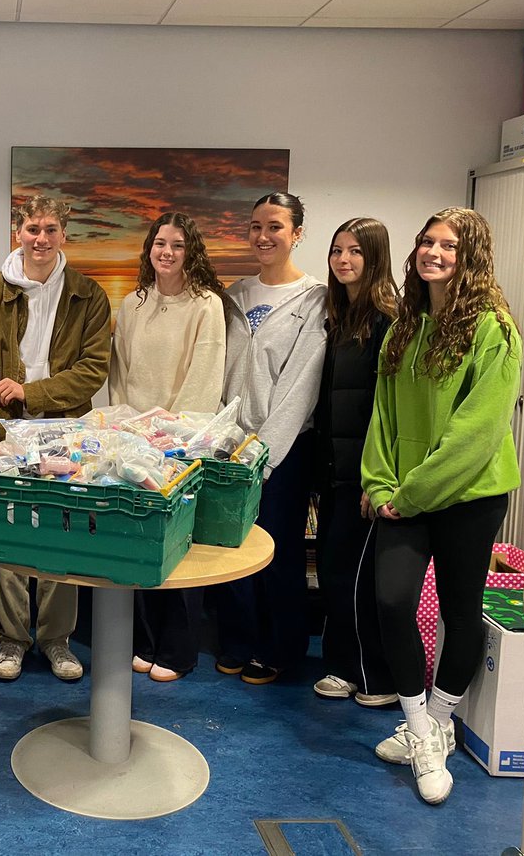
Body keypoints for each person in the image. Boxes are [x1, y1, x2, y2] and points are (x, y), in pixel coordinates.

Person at [362, 207, 521, 805]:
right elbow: (384, 414)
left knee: (461, 609)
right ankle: (422, 728)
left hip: (469, 497)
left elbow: (476, 433)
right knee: (392, 600)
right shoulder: (406, 325)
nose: (433, 252)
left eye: (448, 245)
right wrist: (380, 486)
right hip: (403, 498)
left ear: (470, 255)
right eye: (427, 241)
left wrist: (410, 494)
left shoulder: (494, 328)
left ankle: (440, 718)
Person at [0, 195, 111, 682]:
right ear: (18, 231)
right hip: (5, 432)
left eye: (50, 229)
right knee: (7, 532)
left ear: (63, 234)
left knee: (60, 529)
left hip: (66, 431)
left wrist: (32, 391)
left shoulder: (88, 294)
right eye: (32, 228)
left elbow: (92, 371)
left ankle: (55, 639)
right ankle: (12, 638)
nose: (41, 238)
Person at [215, 192, 327, 685]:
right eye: (256, 225)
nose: (264, 236)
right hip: (229, 446)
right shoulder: (234, 295)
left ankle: (280, 648)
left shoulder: (316, 299)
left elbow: (301, 386)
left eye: (276, 227)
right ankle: (238, 639)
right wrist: (222, 440)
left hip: (282, 450)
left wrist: (265, 453)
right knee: (233, 547)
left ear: (296, 233)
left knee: (278, 552)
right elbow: (220, 373)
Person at [109, 212, 226, 683]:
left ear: (190, 251)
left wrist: (172, 434)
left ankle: (178, 650)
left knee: (178, 544)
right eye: (160, 243)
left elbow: (204, 378)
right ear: (149, 248)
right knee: (140, 543)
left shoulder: (207, 306)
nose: (167, 252)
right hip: (133, 442)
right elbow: (120, 375)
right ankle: (144, 640)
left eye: (178, 245)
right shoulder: (133, 303)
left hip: (179, 444)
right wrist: (127, 429)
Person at [312, 218, 398, 707]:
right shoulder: (339, 315)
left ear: (375, 258)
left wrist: (376, 478)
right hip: (335, 472)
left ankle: (376, 677)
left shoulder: (388, 319)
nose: (343, 260)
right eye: (337, 250)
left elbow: (387, 410)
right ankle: (342, 667)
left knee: (361, 578)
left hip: (365, 476)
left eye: (355, 252)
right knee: (334, 570)